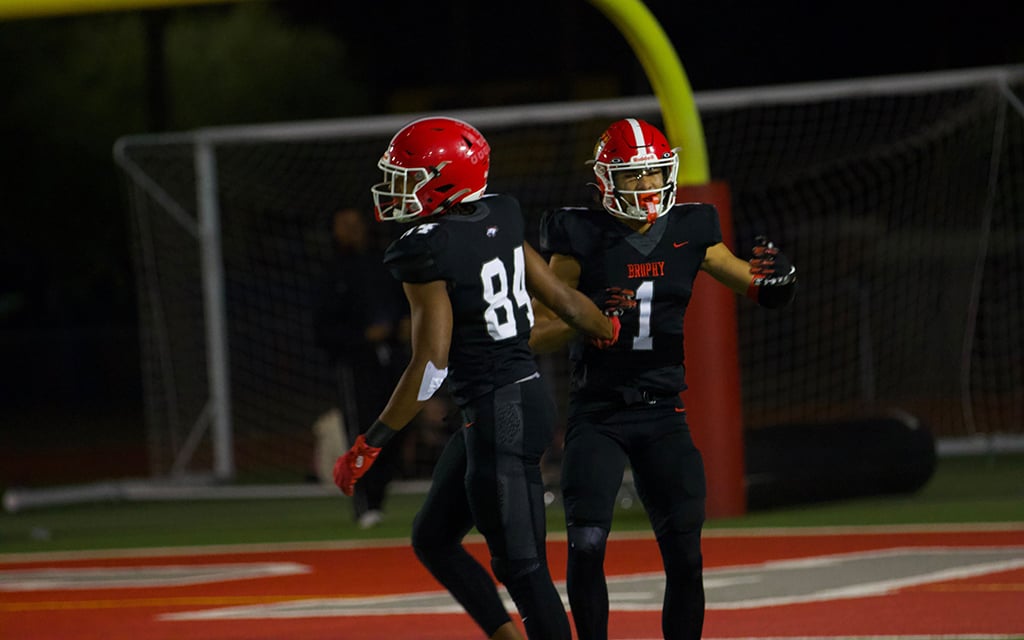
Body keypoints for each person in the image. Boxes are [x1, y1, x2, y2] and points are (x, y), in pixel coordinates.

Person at [332, 116, 623, 640]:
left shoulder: (425, 248)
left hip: (498, 413)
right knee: (434, 538)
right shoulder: (503, 212)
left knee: (523, 568)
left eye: (410, 175)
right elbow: (559, 299)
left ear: (445, 177)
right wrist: (607, 325)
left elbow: (431, 363)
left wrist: (371, 442)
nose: (397, 187)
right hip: (518, 400)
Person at [529, 118, 798, 640]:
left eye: (654, 174)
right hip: (599, 412)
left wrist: (780, 285)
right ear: (607, 181)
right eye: (633, 176)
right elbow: (534, 335)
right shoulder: (577, 236)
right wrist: (584, 317)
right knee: (585, 546)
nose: (647, 187)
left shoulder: (691, 228)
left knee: (685, 553)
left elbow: (751, 282)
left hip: (662, 410)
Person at [313, 206, 410, 529]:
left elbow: (405, 304)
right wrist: (361, 337)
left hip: (393, 358)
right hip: (355, 363)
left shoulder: (385, 264)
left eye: (356, 223)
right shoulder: (331, 273)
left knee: (397, 427)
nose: (352, 230)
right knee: (362, 430)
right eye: (345, 224)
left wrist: (403, 326)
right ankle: (363, 503)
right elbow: (322, 329)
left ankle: (378, 495)